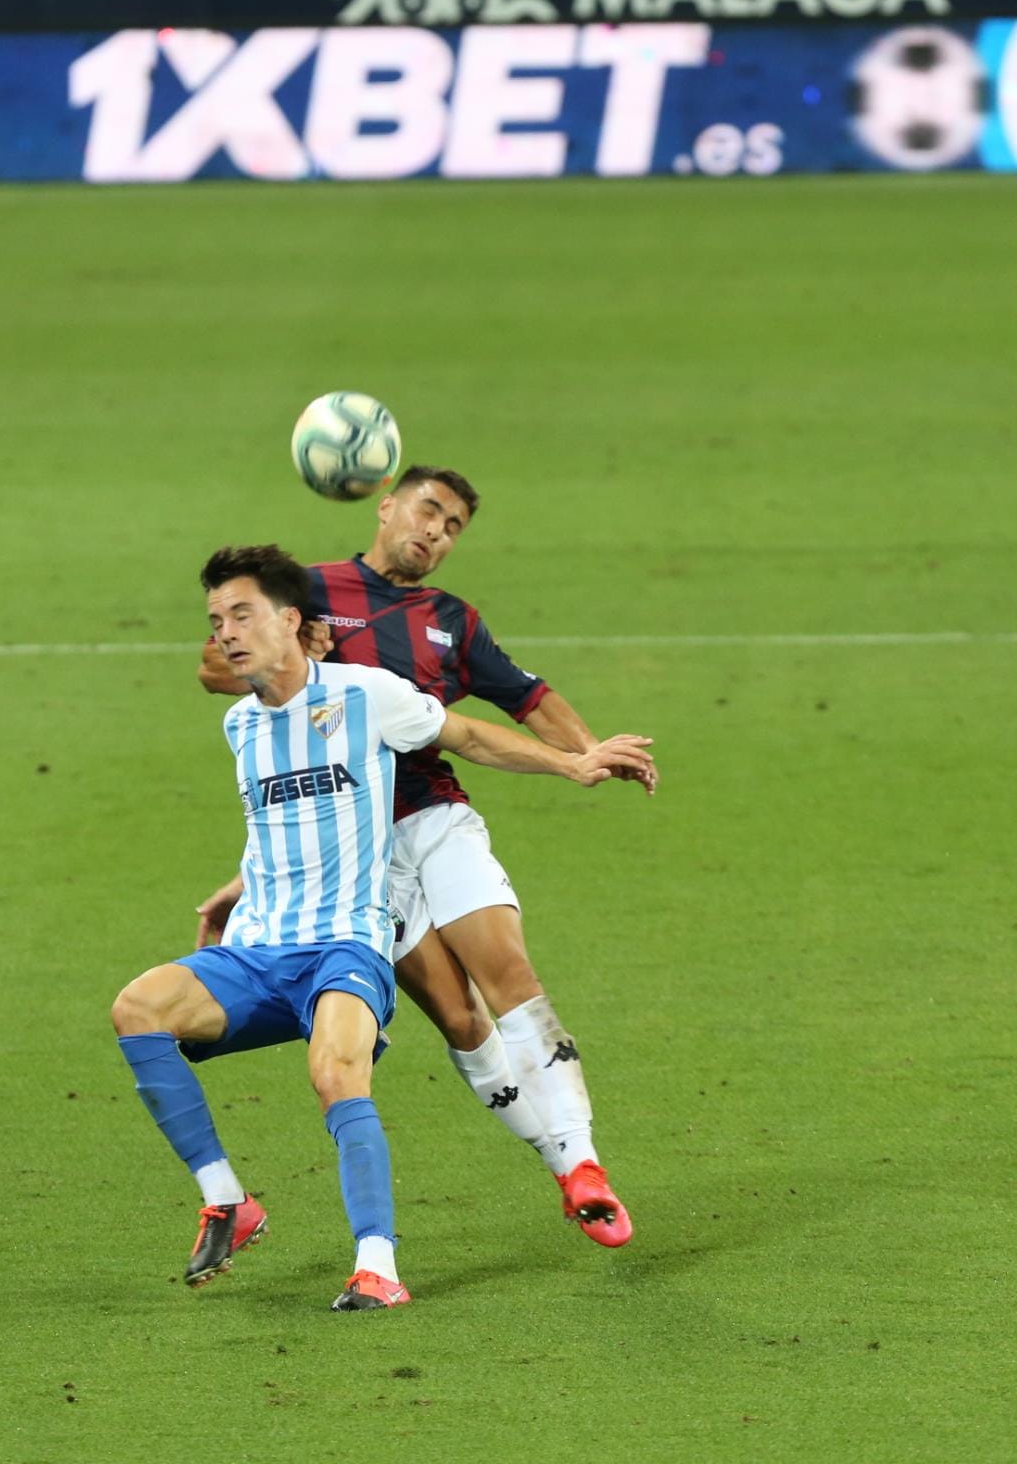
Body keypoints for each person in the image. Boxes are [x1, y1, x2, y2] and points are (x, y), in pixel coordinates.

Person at [113, 544, 655, 1311]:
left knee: (338, 1071)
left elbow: (467, 736)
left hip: (348, 943)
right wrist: (241, 888)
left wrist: (571, 764)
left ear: (291, 621)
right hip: (262, 947)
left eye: (241, 615)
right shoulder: (240, 725)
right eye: (215, 619)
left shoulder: (367, 695)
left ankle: (379, 1266)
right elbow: (282, 819)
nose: (225, 633)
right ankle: (229, 1200)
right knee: (136, 1008)